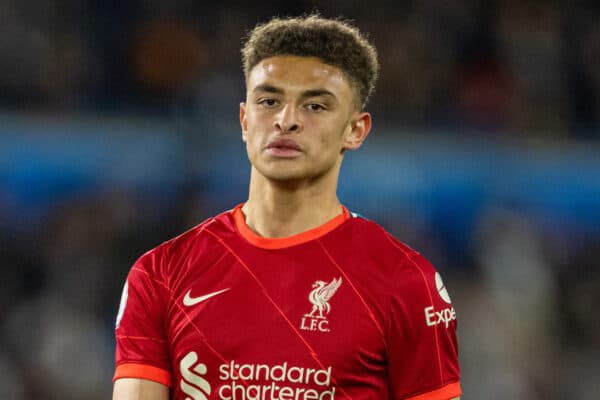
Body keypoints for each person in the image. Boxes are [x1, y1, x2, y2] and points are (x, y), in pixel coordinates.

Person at [112, 15, 461, 400]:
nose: (286, 120)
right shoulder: (161, 274)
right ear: (245, 120)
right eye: (269, 100)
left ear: (355, 130)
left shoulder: (406, 282)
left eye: (315, 105)